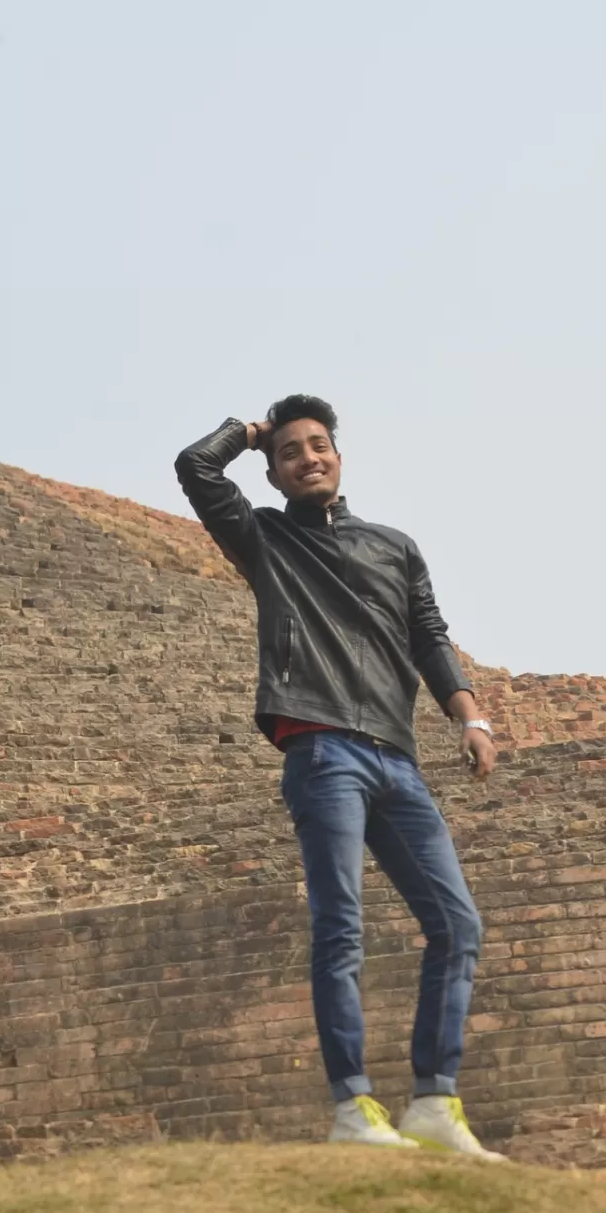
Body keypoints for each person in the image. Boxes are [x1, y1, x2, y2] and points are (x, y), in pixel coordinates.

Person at [175, 396, 503, 1155]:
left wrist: (471, 716)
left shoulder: (394, 546)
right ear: (275, 470)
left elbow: (429, 632)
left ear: (340, 457)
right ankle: (354, 1106)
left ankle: (433, 1101)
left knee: (457, 924)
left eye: (320, 446)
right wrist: (251, 431)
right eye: (291, 452)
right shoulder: (265, 539)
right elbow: (195, 465)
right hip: (323, 751)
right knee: (341, 926)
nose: (309, 458)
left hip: (397, 757)